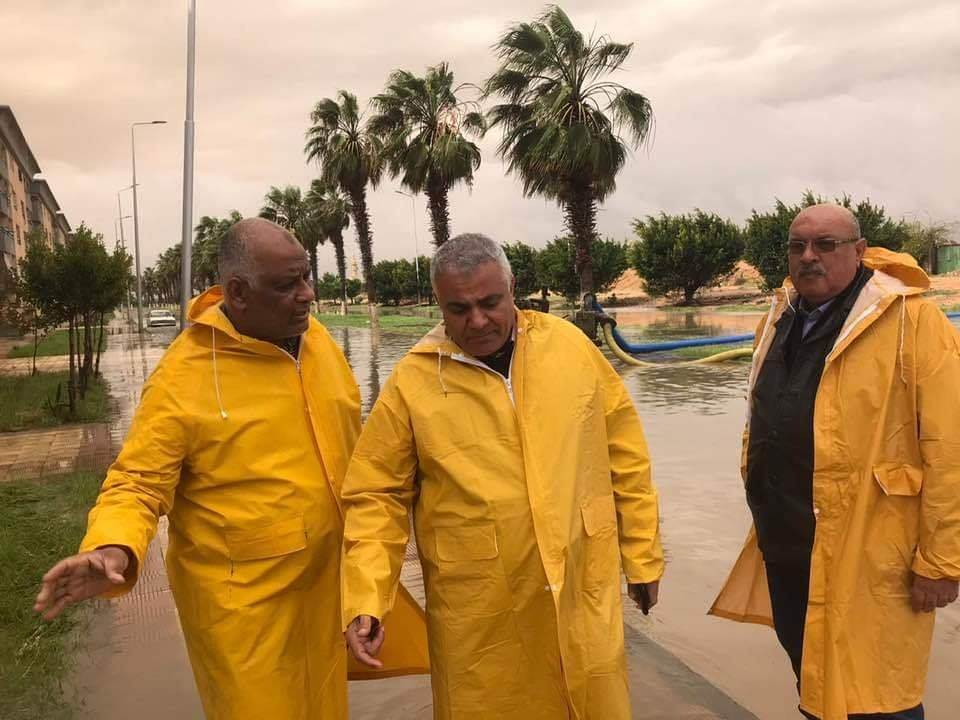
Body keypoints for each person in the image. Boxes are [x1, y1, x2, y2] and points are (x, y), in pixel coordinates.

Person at [34, 218, 428, 720]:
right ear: (238, 292)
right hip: (244, 613)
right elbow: (137, 482)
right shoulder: (185, 376)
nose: (307, 295)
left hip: (326, 593)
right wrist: (112, 545)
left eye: (307, 277)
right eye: (287, 285)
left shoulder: (317, 342)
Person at [339, 233, 664, 720]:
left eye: (490, 303)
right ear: (438, 306)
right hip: (479, 605)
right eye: (458, 309)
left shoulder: (569, 349)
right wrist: (366, 595)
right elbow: (375, 495)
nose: (477, 321)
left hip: (581, 582)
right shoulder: (413, 382)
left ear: (513, 289)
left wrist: (642, 557)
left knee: (590, 698)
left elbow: (625, 456)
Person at [710, 205, 960, 719]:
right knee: (814, 679)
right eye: (797, 245)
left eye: (826, 244)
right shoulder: (778, 316)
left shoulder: (912, 321)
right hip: (787, 541)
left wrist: (942, 562)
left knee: (879, 693)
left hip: (870, 547)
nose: (809, 256)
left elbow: (949, 448)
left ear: (859, 251)